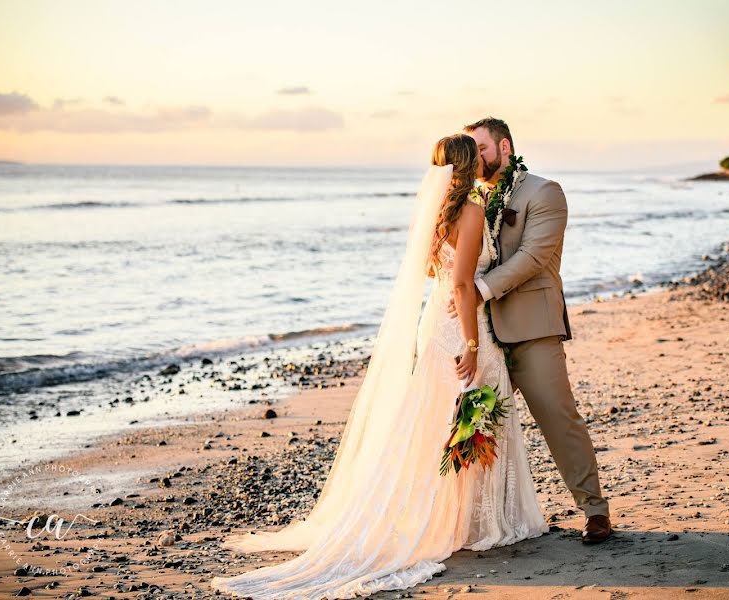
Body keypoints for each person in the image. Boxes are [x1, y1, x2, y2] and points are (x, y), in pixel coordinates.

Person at [211, 133, 549, 599]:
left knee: (437, 421)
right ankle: (475, 523)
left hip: (435, 324)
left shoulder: (438, 213)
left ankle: (460, 516)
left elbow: (443, 277)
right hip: (461, 326)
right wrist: (471, 343)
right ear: (470, 163)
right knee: (468, 412)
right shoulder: (470, 210)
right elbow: (465, 286)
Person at [454, 117, 611, 543]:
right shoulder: (468, 200)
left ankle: (595, 510)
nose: (475, 159)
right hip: (481, 335)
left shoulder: (544, 192)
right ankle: (480, 520)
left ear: (505, 147)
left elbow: (533, 257)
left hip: (531, 329)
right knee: (476, 427)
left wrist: (478, 291)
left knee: (559, 420)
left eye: (481, 149)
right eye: (469, 151)